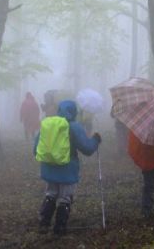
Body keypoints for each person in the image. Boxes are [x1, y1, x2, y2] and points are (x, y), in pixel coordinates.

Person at [34, 100, 101, 235]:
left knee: (50, 194)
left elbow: (36, 149)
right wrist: (96, 139)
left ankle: (44, 223)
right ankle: (59, 228)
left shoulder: (48, 124)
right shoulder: (74, 127)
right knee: (65, 198)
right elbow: (87, 149)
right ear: (73, 112)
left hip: (49, 167)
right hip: (67, 168)